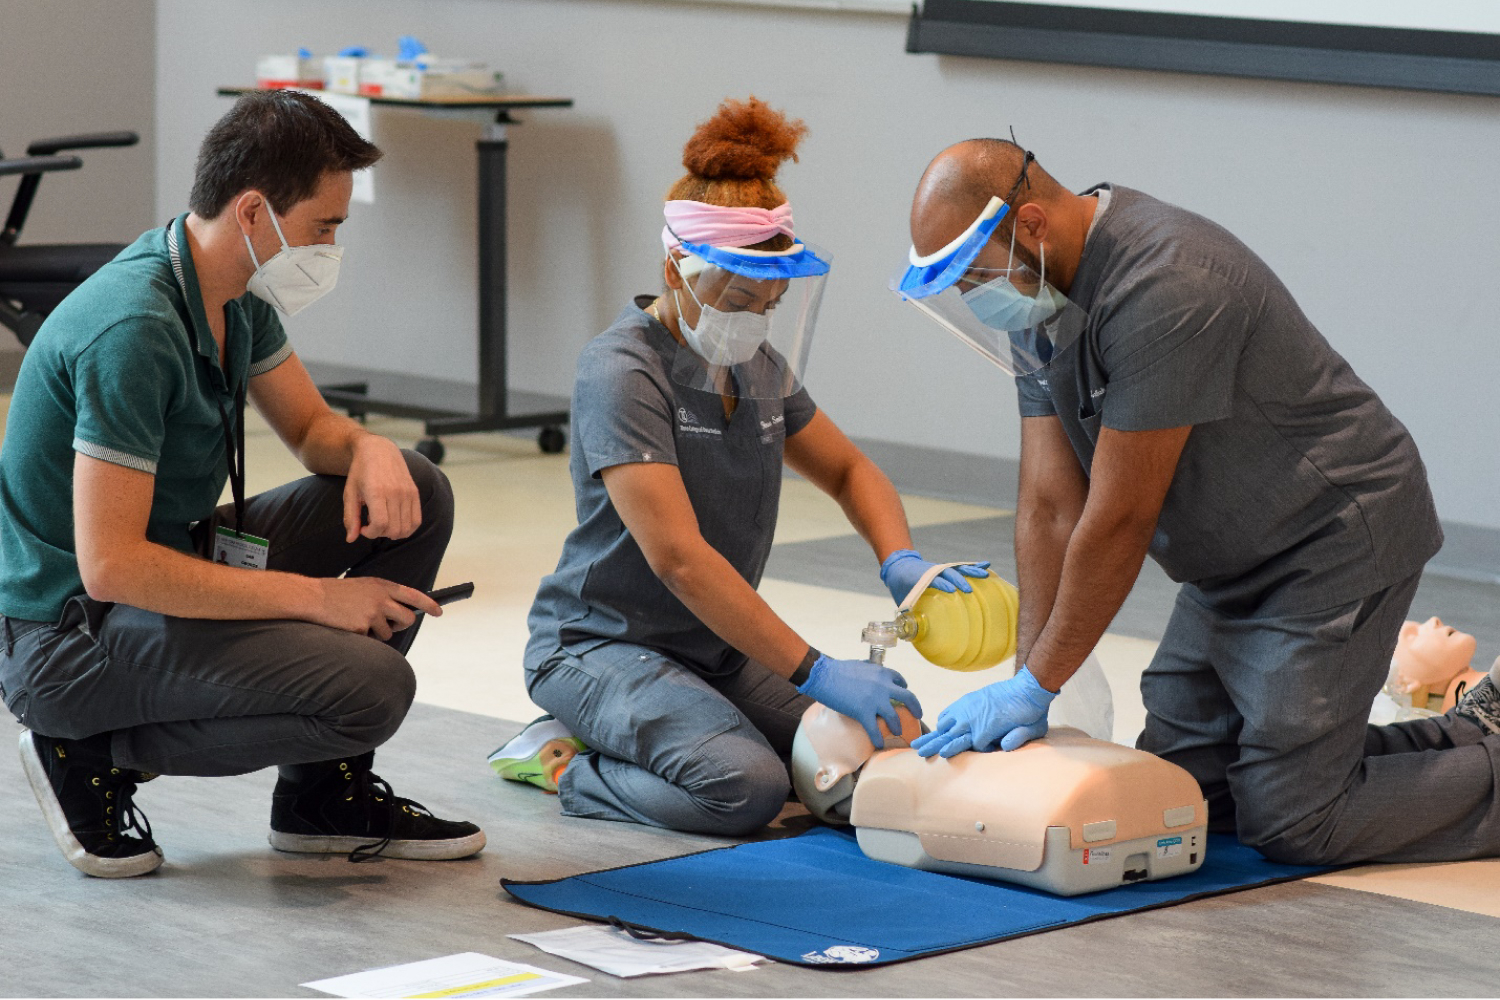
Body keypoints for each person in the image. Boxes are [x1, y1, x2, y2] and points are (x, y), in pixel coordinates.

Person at [891, 137, 1500, 866]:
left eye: (974, 277)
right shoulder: (1040, 299)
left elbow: (1119, 518)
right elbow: (1050, 504)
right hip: (1230, 554)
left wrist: (1037, 684)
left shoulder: (1167, 285)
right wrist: (1031, 685)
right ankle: (1472, 736)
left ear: (1030, 224)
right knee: (1179, 795)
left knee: (1295, 822)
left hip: (1330, 540)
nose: (974, 298)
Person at [0, 90, 484, 879]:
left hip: (159, 565)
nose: (331, 245)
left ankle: (321, 797)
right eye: (324, 227)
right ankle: (84, 746)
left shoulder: (233, 291)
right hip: (68, 635)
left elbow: (310, 432)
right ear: (255, 211)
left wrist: (369, 447)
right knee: (373, 689)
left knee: (417, 492)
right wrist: (321, 600)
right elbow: (113, 567)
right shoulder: (134, 330)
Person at [497, 98, 988, 838]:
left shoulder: (756, 362)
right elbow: (680, 560)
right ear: (677, 270)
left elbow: (851, 471)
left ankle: (678, 726)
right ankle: (565, 759)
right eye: (738, 298)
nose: (754, 319)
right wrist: (817, 672)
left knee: (873, 748)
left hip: (712, 647)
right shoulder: (621, 370)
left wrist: (902, 559)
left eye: (771, 301)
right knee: (745, 788)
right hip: (602, 646)